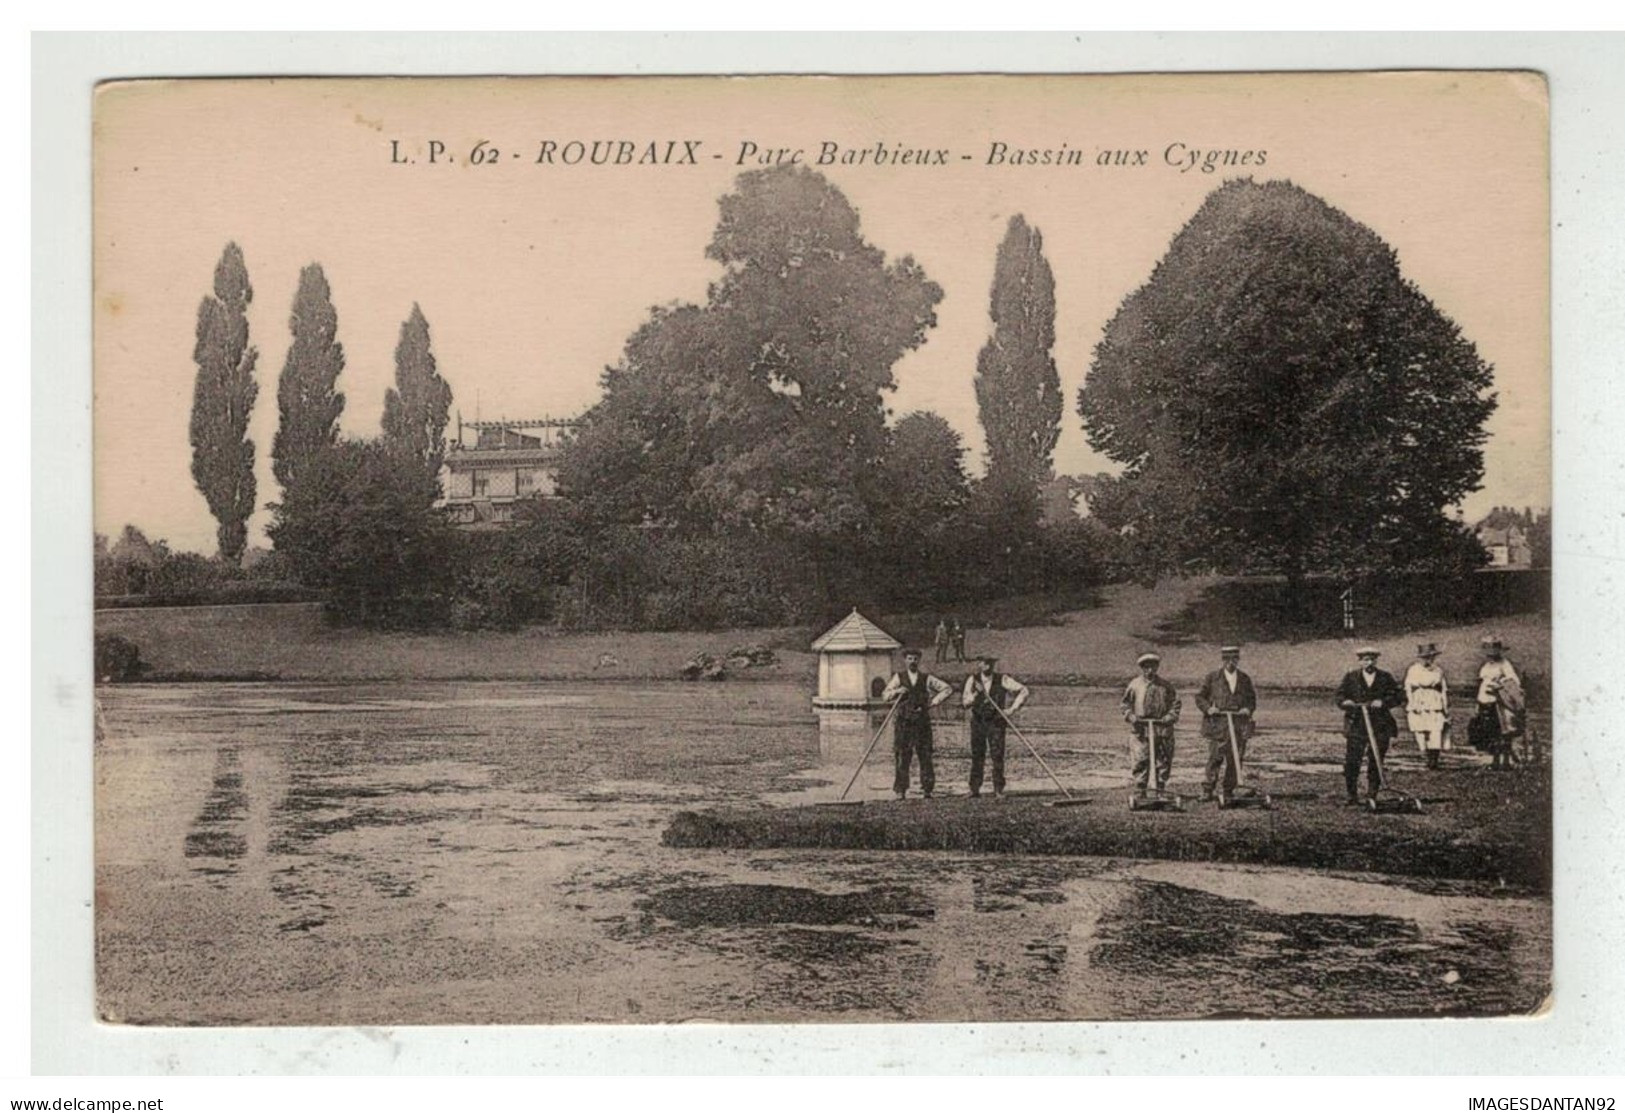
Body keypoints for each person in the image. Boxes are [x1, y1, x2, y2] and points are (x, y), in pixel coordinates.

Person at [1336, 647, 1407, 805]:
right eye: (1366, 659)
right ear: (1360, 661)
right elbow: (1340, 695)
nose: (1369, 663)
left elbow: (1398, 696)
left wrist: (1383, 702)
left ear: (1376, 661)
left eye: (1372, 659)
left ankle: (1372, 793)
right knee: (1352, 760)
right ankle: (1351, 795)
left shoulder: (1385, 677)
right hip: (1357, 723)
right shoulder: (1351, 677)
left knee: (1376, 759)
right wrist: (1345, 702)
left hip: (1380, 723)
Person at [882, 648, 953, 800]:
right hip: (903, 722)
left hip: (922, 722)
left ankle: (927, 790)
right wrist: (896, 691)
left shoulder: (926, 678)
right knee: (902, 755)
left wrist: (934, 702)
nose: (912, 661)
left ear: (918, 660)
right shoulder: (898, 677)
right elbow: (885, 696)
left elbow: (947, 689)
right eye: (909, 658)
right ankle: (901, 791)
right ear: (905, 660)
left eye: (915, 659)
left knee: (925, 755)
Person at [961, 655, 1029, 799]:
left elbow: (1024, 690)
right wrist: (976, 694)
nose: (988, 666)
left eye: (991, 663)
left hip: (996, 722)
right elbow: (965, 703)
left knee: (997, 755)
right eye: (985, 663)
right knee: (977, 755)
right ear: (979, 664)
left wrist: (1011, 710)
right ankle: (974, 789)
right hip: (978, 722)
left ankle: (998, 789)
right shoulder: (972, 680)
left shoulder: (1002, 679)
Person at [1196, 645, 1257, 802]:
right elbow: (1200, 698)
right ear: (1223, 660)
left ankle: (1228, 789)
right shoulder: (1212, 678)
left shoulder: (1244, 679)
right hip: (1218, 724)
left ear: (1238, 660)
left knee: (1235, 758)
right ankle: (1208, 789)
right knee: (1215, 757)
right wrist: (1209, 709)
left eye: (1234, 659)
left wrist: (1247, 710)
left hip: (1239, 725)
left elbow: (1251, 700)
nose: (1230, 662)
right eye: (1227, 659)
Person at [1121, 652, 1181, 795]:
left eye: (1153, 667)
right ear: (1142, 668)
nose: (1150, 671)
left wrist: (1169, 717)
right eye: (1147, 668)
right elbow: (1125, 705)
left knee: (1163, 759)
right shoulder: (1134, 685)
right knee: (1141, 758)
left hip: (1162, 728)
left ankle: (1160, 789)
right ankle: (1140, 789)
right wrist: (1131, 716)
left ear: (1157, 668)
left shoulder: (1166, 686)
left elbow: (1176, 704)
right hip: (1141, 729)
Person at [1476, 637, 1525, 772]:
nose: (1491, 656)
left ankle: (1505, 761)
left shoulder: (1504, 664)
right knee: (1491, 732)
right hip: (1485, 700)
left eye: (1493, 653)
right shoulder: (1486, 666)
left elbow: (1513, 681)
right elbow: (1482, 681)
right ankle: (1495, 760)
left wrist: (1500, 683)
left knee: (1503, 731)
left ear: (1499, 652)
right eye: (1488, 653)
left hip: (1498, 701)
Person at [1404, 642, 1452, 769]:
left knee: (1435, 729)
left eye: (1430, 657)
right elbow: (1408, 688)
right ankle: (1425, 754)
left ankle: (1433, 760)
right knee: (1420, 730)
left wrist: (1445, 707)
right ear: (1420, 658)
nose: (1428, 660)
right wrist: (1411, 703)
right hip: (1419, 701)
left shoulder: (1438, 671)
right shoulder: (1413, 670)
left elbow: (1443, 689)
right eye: (1425, 657)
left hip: (1434, 701)